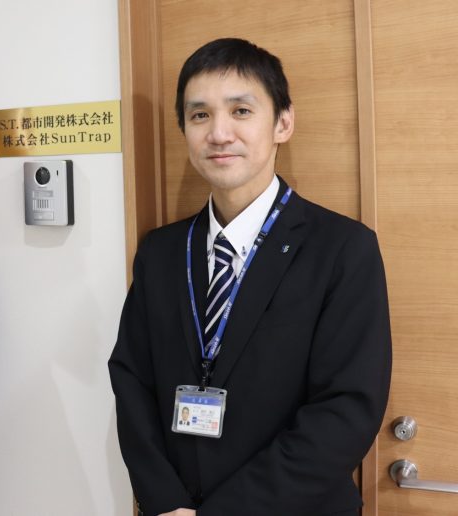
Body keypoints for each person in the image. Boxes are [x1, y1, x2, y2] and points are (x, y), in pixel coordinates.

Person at [108, 38, 391, 516]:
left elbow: (346, 409)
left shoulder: (343, 249)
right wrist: (163, 500)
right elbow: (131, 379)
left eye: (241, 111)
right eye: (200, 115)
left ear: (283, 123)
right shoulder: (160, 252)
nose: (219, 133)